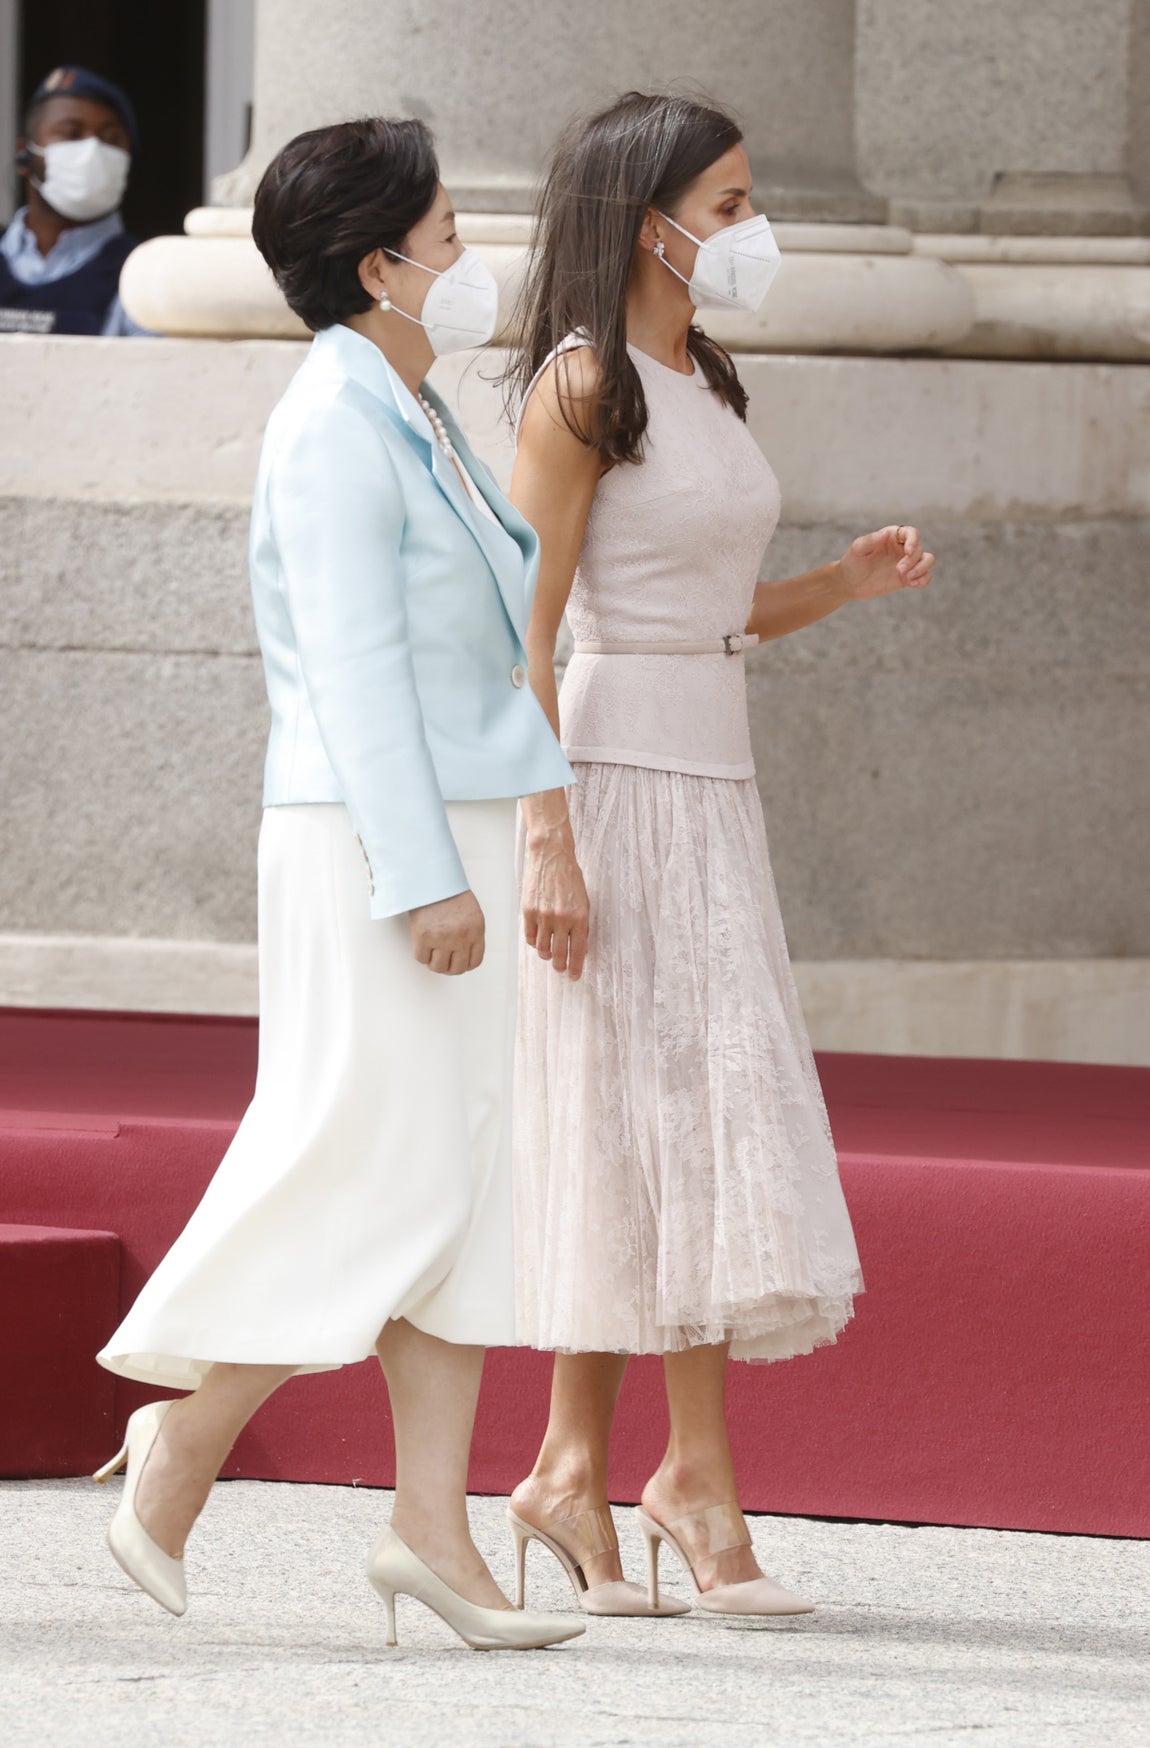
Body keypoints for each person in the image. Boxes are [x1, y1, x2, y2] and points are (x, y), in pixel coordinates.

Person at [93, 117, 583, 1654]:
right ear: (377, 262)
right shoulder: (330, 420)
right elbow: (358, 675)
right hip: (383, 842)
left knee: (460, 1181)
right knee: (366, 1160)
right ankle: (184, 1439)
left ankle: (429, 1529)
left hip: (461, 822)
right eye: (444, 229)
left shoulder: (411, 403)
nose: (467, 252)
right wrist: (423, 875)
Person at [505, 92, 935, 1618]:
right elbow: (525, 630)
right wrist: (545, 840)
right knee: (643, 1119)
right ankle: (663, 1477)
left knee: (679, 1122)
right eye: (733, 200)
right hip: (608, 782)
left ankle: (592, 1470)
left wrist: (835, 581)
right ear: (649, 220)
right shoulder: (580, 387)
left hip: (710, 774)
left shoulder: (704, 378)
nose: (755, 229)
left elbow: (715, 611)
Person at [0, 64, 148, 336]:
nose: (92, 150)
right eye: (71, 133)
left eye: (111, 138)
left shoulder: (141, 278)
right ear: (25, 155)